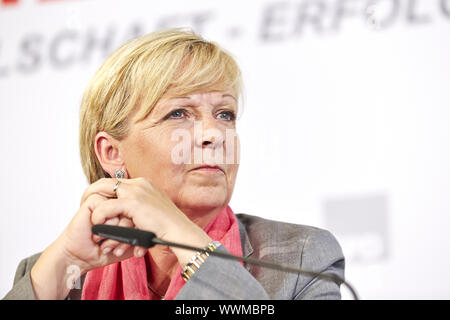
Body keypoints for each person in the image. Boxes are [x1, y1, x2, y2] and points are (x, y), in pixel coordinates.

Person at [3, 29, 345, 300]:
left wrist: (182, 235)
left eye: (224, 114)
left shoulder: (301, 261)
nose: (214, 134)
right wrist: (65, 261)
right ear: (111, 153)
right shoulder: (55, 277)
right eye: (178, 113)